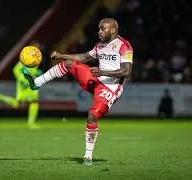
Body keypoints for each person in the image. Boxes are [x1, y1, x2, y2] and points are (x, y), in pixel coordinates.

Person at [22, 18, 133, 165]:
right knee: (68, 64)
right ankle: (37, 82)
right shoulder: (100, 46)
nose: (99, 31)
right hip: (96, 79)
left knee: (92, 116)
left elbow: (127, 71)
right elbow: (85, 57)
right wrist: (62, 55)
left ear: (113, 30)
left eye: (103, 29)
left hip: (111, 88)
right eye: (99, 29)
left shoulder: (124, 46)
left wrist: (103, 72)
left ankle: (88, 157)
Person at [0, 61, 42, 129]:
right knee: (33, 102)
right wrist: (21, 79)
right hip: (26, 82)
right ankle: (30, 123)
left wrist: (37, 72)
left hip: (31, 81)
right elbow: (16, 69)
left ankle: (1, 97)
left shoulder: (35, 57)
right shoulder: (25, 57)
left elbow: (32, 69)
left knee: (20, 104)